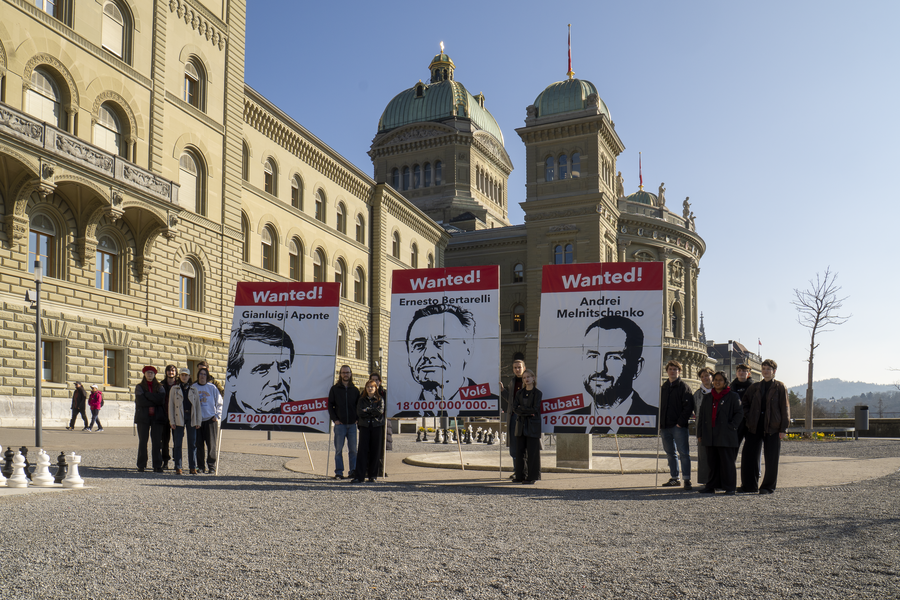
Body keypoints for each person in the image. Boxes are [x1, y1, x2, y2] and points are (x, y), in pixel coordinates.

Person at [402, 303, 496, 414]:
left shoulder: (490, 405)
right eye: (419, 345)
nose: (428, 354)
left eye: (441, 343)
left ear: (468, 350)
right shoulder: (403, 413)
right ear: (408, 356)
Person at [580, 315, 656, 419]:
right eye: (593, 356)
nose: (600, 369)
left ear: (637, 367)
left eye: (613, 357)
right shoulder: (566, 421)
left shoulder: (652, 417)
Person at [739, 359, 790, 494]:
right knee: (749, 456)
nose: (765, 371)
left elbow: (785, 408)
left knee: (771, 458)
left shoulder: (780, 387)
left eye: (768, 369)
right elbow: (744, 403)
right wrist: (749, 416)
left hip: (773, 426)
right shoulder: (755, 387)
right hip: (755, 425)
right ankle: (749, 485)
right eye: (764, 369)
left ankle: (768, 486)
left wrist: (783, 428)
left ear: (774, 371)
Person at [225, 322, 294, 414]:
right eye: (263, 369)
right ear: (232, 379)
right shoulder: (225, 425)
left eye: (283, 367)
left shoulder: (306, 420)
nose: (276, 382)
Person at [696, 371, 743, 495]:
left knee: (727, 462)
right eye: (715, 379)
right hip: (709, 434)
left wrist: (731, 427)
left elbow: (739, 414)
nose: (717, 382)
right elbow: (701, 417)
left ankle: (730, 487)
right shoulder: (707, 397)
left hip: (725, 435)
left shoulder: (733, 396)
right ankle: (711, 486)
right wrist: (699, 434)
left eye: (720, 380)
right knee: (712, 462)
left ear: (725, 382)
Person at [659, 360, 695, 490]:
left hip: (678, 426)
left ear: (679, 371)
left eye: (675, 369)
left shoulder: (684, 387)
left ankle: (687, 479)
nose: (672, 371)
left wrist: (680, 422)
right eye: (670, 369)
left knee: (684, 453)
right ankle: (674, 478)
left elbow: (688, 407)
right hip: (665, 426)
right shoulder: (664, 387)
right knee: (670, 453)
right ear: (667, 371)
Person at [328, 365, 359, 480]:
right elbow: (330, 405)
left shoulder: (355, 390)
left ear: (351, 374)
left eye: (347, 372)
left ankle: (353, 471)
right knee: (338, 450)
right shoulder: (334, 389)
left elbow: (358, 406)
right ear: (340, 374)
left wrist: (357, 418)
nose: (345, 374)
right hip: (339, 425)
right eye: (343, 372)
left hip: (352, 425)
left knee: (353, 450)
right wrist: (334, 419)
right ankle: (339, 472)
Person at [168, 368, 201, 475]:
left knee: (192, 443)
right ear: (179, 376)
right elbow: (171, 406)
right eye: (182, 375)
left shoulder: (193, 389)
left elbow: (197, 407)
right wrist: (171, 420)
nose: (184, 377)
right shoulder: (174, 389)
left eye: (186, 375)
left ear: (189, 377)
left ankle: (192, 466)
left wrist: (198, 421)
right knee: (178, 443)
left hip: (190, 416)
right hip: (179, 417)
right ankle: (178, 466)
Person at [134, 366, 167, 473]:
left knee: (157, 442)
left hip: (157, 418)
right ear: (144, 374)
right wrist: (154, 399)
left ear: (154, 375)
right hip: (143, 418)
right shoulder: (139, 387)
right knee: (143, 441)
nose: (150, 375)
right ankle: (141, 465)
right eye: (148, 373)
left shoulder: (160, 386)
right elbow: (140, 401)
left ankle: (157, 465)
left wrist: (147, 395)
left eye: (152, 373)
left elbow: (161, 400)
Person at [512, 369, 542, 484]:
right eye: (524, 377)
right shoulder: (519, 393)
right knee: (520, 452)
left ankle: (532, 476)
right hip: (520, 425)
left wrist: (522, 410)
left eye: (528, 377)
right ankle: (520, 475)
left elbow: (535, 409)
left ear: (533, 378)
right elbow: (515, 408)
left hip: (532, 426)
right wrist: (527, 412)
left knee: (532, 452)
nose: (526, 379)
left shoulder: (538, 393)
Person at [499, 355, 526, 480]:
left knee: (524, 446)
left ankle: (524, 471)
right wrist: (502, 390)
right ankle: (516, 470)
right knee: (514, 445)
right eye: (515, 368)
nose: (517, 370)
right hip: (513, 417)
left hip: (525, 418)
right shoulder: (513, 381)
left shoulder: (528, 380)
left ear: (524, 368)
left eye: (519, 367)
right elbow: (511, 400)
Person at [354, 379, 385, 483]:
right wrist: (372, 411)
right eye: (368, 387)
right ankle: (359, 476)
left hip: (376, 426)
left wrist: (367, 410)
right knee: (362, 451)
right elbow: (360, 412)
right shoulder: (361, 400)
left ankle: (373, 475)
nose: (370, 388)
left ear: (375, 388)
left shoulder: (380, 399)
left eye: (372, 387)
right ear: (365, 389)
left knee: (375, 451)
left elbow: (380, 411)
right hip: (365, 427)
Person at [194, 367, 223, 474]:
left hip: (210, 420)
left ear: (207, 376)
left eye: (204, 374)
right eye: (200, 374)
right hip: (198, 421)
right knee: (199, 445)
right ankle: (201, 466)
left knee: (211, 445)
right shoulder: (194, 387)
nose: (202, 376)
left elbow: (219, 403)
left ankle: (211, 466)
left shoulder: (212, 388)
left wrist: (217, 415)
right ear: (198, 376)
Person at [692, 367, 713, 487]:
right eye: (702, 376)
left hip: (716, 427)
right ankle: (705, 480)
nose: (705, 378)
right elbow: (695, 410)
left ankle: (717, 479)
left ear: (712, 376)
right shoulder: (697, 394)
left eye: (707, 375)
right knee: (703, 455)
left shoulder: (718, 391)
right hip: (702, 427)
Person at [369, 373, 391, 477]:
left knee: (381, 447)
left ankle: (381, 469)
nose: (375, 381)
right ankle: (371, 469)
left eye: (377, 379)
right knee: (371, 447)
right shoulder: (367, 392)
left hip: (383, 423)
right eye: (373, 379)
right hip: (370, 423)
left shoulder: (384, 393)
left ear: (380, 381)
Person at [158, 365, 179, 470]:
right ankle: (165, 461)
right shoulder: (161, 385)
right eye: (169, 371)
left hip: (177, 416)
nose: (171, 372)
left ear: (176, 373)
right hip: (165, 416)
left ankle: (177, 461)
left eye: (173, 371)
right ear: (166, 372)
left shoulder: (179, 385)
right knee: (165, 441)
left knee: (177, 440)